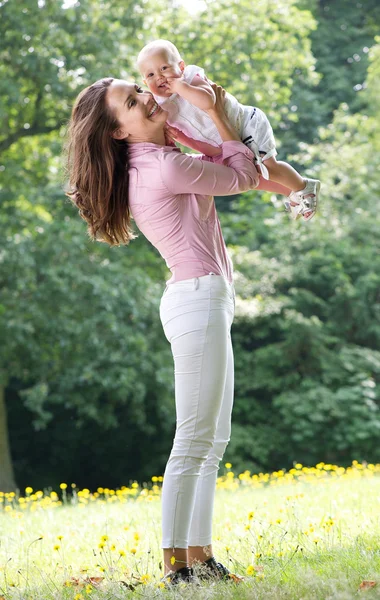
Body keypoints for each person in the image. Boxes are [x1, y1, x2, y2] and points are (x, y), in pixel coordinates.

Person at [66, 77, 259, 585]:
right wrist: (218, 112)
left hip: (206, 298)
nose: (148, 98)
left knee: (213, 439)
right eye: (133, 103)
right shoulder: (163, 166)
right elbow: (244, 175)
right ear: (119, 133)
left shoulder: (162, 155)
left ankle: (202, 560)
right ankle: (177, 570)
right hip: (197, 301)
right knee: (193, 439)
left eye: (138, 90)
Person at [137, 39, 320, 221]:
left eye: (164, 68)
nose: (159, 77)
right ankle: (293, 192)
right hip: (228, 142)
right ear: (145, 82)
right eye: (151, 74)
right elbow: (188, 138)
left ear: (181, 67)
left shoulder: (191, 78)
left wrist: (180, 86)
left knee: (268, 166)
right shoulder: (163, 107)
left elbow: (209, 103)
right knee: (253, 175)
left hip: (246, 125)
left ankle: (304, 187)